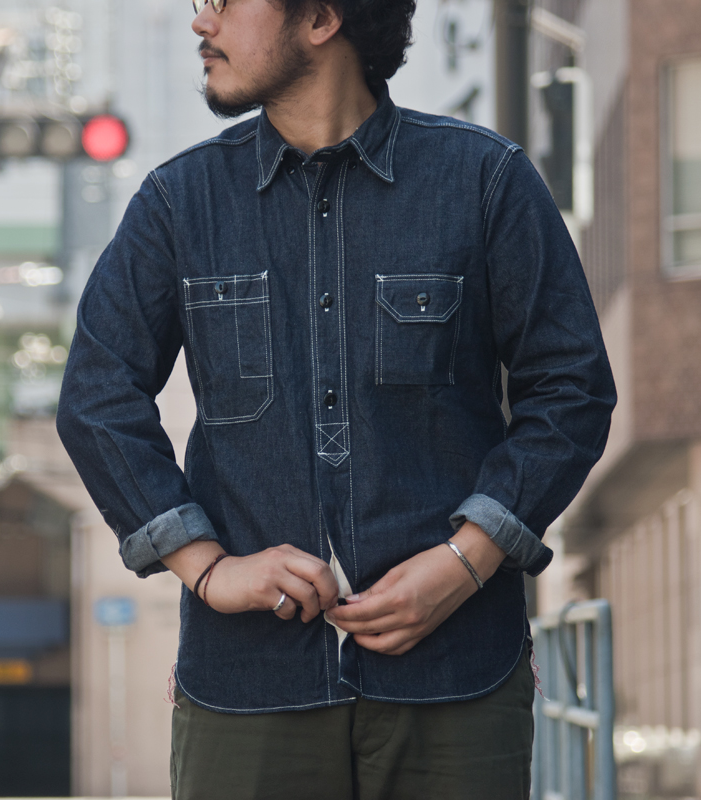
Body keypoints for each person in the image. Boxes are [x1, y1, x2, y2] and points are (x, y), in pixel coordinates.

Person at [57, 0, 616, 797]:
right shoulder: (180, 202)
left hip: (456, 677)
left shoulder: (483, 180)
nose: (201, 24)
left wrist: (466, 561)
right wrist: (207, 569)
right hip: (246, 684)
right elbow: (96, 395)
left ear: (321, 18)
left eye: (225, 0)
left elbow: (571, 387)